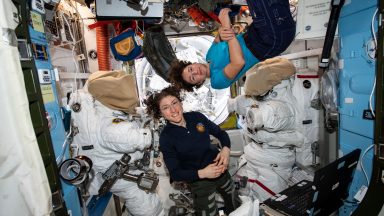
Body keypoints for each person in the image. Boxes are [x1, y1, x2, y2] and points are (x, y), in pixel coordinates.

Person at [69, 70, 164, 216]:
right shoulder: (110, 127)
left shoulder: (105, 109)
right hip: (119, 176)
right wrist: (154, 136)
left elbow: (128, 119)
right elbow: (130, 137)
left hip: (121, 168)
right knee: (149, 208)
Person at [145, 86, 236, 216]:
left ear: (180, 102)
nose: (173, 110)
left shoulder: (196, 117)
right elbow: (176, 174)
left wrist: (226, 149)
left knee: (234, 202)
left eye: (174, 103)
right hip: (199, 182)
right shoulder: (166, 137)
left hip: (221, 170)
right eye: (165, 108)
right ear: (161, 113)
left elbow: (221, 133)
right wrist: (203, 173)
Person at [168, 0, 296, 90]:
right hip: (268, 42)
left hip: (256, 31)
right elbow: (238, 62)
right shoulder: (217, 82)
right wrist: (226, 27)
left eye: (191, 69)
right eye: (193, 78)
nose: (195, 72)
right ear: (199, 83)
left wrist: (224, 30)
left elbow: (220, 36)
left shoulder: (209, 56)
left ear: (192, 63)